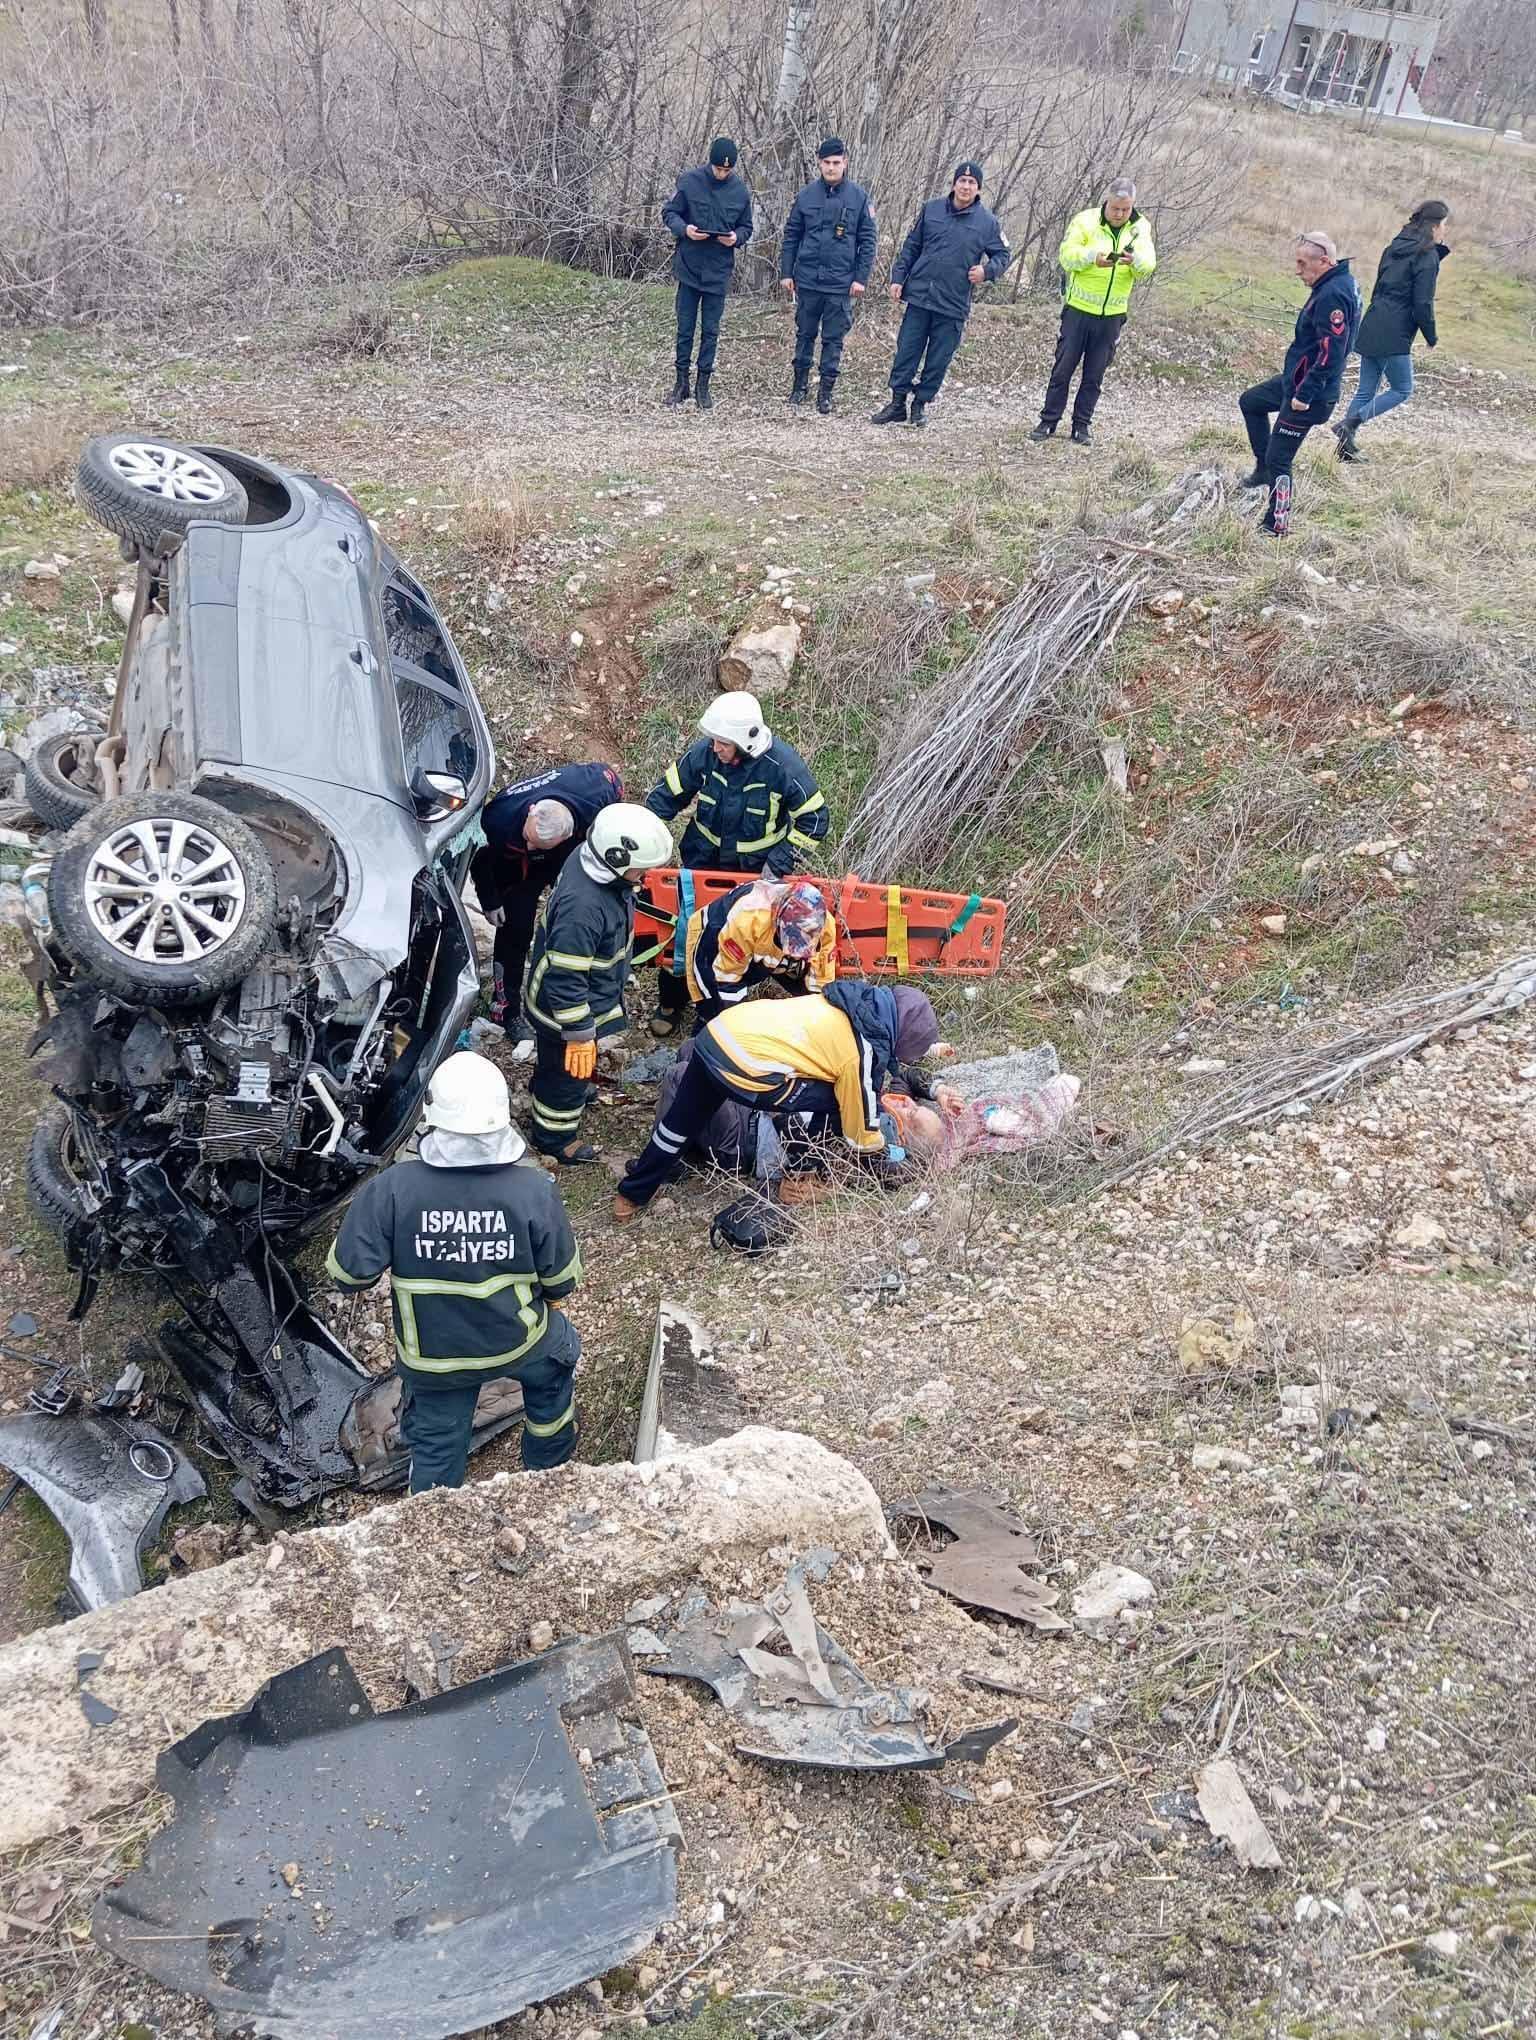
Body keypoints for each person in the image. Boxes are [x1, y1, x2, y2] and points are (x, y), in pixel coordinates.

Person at [325, 1053, 582, 1492]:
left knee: (437, 1447)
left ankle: (434, 1521)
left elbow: (348, 1276)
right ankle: (548, 1478)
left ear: (432, 1116)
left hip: (434, 1361)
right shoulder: (535, 1189)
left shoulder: (392, 1189)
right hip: (519, 1343)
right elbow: (562, 1281)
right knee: (557, 1361)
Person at [612, 983, 939, 1219]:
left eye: (913, 1116)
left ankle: (631, 1194)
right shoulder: (861, 1053)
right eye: (915, 1107)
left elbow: (888, 1102)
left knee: (680, 1120)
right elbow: (861, 1135)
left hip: (721, 1033)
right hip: (747, 1067)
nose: (908, 1106)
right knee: (839, 1100)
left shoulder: (849, 1004)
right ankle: (799, 1178)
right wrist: (877, 1147)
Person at [642, 691, 828, 1036]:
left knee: (740, 937)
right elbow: (667, 795)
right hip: (701, 862)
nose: (715, 748)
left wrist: (779, 863)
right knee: (684, 931)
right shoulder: (706, 754)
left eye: (723, 743)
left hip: (754, 873)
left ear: (747, 743)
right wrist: (643, 833)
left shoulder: (782, 768)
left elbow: (815, 820)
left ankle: (723, 1005)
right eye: (714, 741)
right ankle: (672, 1000)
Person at [522, 802, 675, 1164]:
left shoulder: (593, 863)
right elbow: (567, 979)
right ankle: (554, 1136)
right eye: (641, 869)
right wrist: (578, 1033)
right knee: (565, 1074)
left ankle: (550, 1087)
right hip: (563, 1009)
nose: (644, 875)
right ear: (618, 860)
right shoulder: (583, 909)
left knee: (557, 1066)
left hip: (575, 996)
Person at [470, 763, 623, 1049]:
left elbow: (616, 805)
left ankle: (570, 1003)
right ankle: (506, 1009)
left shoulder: (596, 790)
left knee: (572, 932)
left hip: (567, 862)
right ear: (531, 811)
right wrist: (490, 899)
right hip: (514, 868)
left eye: (539, 844)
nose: (531, 846)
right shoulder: (499, 818)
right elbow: (479, 857)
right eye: (530, 839)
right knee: (514, 932)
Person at [871, 161, 1012, 428]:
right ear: (954, 183)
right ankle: (897, 402)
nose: (966, 186)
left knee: (938, 358)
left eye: (972, 183)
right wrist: (898, 278)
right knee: (907, 351)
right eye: (962, 181)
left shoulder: (988, 223)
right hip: (920, 296)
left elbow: (1004, 255)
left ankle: (920, 405)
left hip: (953, 302)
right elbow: (911, 246)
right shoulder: (932, 209)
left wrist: (986, 271)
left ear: (978, 188)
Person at [1238, 230, 1359, 538]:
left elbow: (1332, 352)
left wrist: (1304, 394)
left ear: (1325, 261)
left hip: (1310, 395)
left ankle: (1276, 524)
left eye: (1303, 264)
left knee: (1281, 457)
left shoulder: (1333, 294)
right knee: (1251, 401)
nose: (1298, 271)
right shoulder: (1333, 284)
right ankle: (1263, 470)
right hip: (1296, 383)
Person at [1030, 177, 1156, 447]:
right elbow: (1066, 255)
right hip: (1078, 310)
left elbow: (1149, 265)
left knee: (1095, 374)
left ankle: (1081, 425)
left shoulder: (1140, 227)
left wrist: (1134, 261)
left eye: (1125, 209)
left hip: (1112, 315)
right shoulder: (1085, 221)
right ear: (1106, 202)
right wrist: (1092, 257)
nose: (1120, 215)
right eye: (1115, 209)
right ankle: (1049, 421)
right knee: (1063, 370)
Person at [1333, 199, 1450, 462]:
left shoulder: (1392, 247)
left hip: (1373, 320)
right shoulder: (1427, 256)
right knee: (1402, 389)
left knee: (1366, 390)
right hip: (1394, 330)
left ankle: (1344, 450)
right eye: (1444, 225)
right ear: (1433, 226)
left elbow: (1378, 288)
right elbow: (1422, 302)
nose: (1445, 231)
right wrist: (1431, 336)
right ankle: (1349, 424)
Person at [780, 137, 877, 413]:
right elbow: (792, 236)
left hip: (840, 282)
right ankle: (799, 388)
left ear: (845, 163)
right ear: (819, 164)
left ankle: (825, 393)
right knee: (805, 335)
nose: (832, 168)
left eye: (836, 163)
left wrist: (861, 278)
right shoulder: (806, 196)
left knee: (833, 340)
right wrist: (787, 272)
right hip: (808, 279)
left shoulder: (859, 198)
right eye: (827, 163)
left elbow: (868, 241)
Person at [660, 137, 755, 411]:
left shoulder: (740, 192)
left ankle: (703, 384)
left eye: (727, 170)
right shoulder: (689, 182)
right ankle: (681, 383)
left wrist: (736, 237)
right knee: (685, 329)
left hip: (718, 270)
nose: (722, 173)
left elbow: (746, 227)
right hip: (689, 266)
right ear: (710, 163)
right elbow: (669, 213)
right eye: (718, 169)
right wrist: (685, 229)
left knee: (710, 331)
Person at [683, 875, 836, 1027]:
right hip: (716, 938)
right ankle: (695, 1025)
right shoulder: (747, 920)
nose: (792, 953)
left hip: (764, 947)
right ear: (778, 920)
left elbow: (821, 981)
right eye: (793, 941)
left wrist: (816, 1023)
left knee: (812, 997)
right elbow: (726, 979)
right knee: (712, 1001)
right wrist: (736, 1028)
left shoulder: (825, 926)